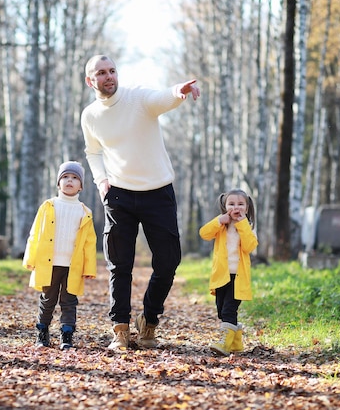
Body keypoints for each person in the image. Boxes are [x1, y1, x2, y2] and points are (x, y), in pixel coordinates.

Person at [80, 54, 200, 351]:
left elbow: (162, 99)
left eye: (112, 71)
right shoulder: (91, 115)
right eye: (101, 73)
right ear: (90, 80)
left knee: (168, 262)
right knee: (119, 265)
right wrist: (100, 181)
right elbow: (93, 152)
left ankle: (148, 320)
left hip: (158, 192)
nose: (108, 77)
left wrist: (178, 91)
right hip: (119, 195)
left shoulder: (138, 99)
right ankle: (120, 329)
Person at [23, 161, 97, 350]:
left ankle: (67, 335)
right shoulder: (48, 206)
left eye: (74, 178)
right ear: (58, 183)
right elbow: (35, 233)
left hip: (73, 265)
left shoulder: (84, 212)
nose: (69, 181)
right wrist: (30, 258)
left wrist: (89, 268)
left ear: (81, 185)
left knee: (69, 301)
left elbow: (89, 243)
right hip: (50, 262)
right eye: (65, 177)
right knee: (47, 299)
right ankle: (42, 332)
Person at [199, 189, 258, 355]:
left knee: (228, 311)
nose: (235, 207)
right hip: (221, 275)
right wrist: (219, 220)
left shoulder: (248, 226)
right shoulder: (221, 226)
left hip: (238, 277)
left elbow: (249, 246)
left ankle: (225, 343)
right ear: (225, 207)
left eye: (240, 204)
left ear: (246, 208)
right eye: (231, 204)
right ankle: (236, 343)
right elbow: (204, 234)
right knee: (221, 310)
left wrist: (242, 224)